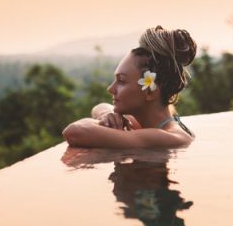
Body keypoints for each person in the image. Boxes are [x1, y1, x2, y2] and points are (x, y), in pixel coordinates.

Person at [62, 26, 197, 149]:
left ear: (150, 92)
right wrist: (107, 115)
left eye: (121, 81)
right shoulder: (147, 123)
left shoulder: (169, 137)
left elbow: (74, 132)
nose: (110, 88)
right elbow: (100, 107)